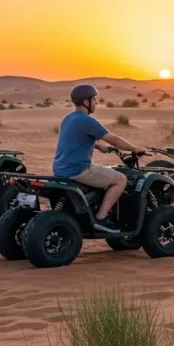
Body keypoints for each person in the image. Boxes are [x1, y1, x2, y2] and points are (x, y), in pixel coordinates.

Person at [52, 84, 147, 234]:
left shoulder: (67, 119)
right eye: (94, 99)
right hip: (78, 170)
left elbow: (73, 140)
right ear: (86, 101)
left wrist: (96, 146)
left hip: (59, 169)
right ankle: (101, 219)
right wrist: (135, 149)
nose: (96, 102)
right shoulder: (88, 121)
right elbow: (114, 139)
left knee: (105, 173)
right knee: (120, 179)